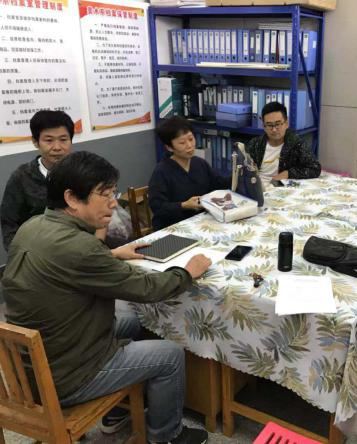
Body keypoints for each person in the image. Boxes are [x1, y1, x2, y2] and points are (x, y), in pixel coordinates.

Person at [2, 151, 212, 444]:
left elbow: (67, 266)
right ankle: (166, 436)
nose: (114, 202)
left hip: (33, 366)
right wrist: (188, 272)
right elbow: (148, 289)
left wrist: (111, 254)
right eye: (104, 194)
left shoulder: (32, 226)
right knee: (170, 355)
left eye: (113, 192)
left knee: (131, 320)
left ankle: (117, 411)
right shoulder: (82, 247)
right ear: (72, 198)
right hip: (67, 376)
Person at [1, 110, 74, 250]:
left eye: (63, 140)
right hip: (37, 252)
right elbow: (9, 224)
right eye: (49, 140)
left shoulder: (82, 172)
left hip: (78, 247)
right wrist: (21, 255)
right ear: (35, 142)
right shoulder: (21, 177)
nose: (57, 147)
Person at [149, 116, 231, 230]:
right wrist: (184, 205)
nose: (189, 145)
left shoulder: (200, 163)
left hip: (200, 222)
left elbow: (218, 183)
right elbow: (157, 207)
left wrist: (239, 174)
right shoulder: (161, 171)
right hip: (173, 227)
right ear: (169, 147)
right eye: (182, 142)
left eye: (191, 139)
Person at [245, 101, 321, 184]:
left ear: (286, 123)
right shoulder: (255, 144)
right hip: (256, 186)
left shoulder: (296, 143)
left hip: (280, 187)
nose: (274, 129)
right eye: (269, 125)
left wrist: (287, 174)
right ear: (264, 126)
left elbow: (315, 168)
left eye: (278, 124)